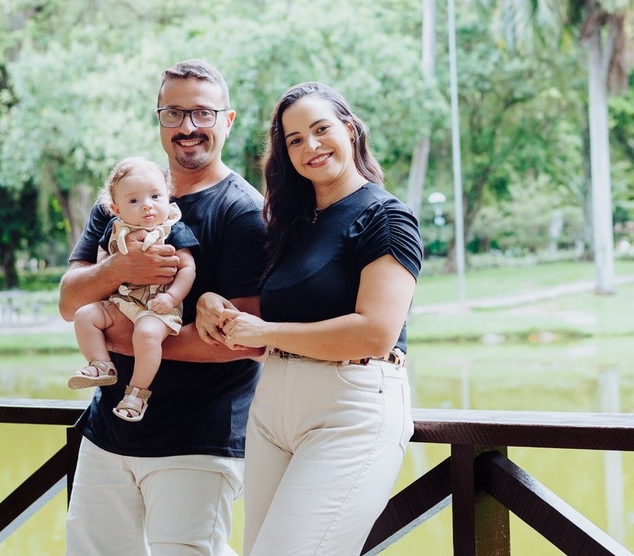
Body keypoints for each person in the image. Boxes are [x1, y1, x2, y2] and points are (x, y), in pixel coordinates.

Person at [196, 81, 422, 556]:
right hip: (273, 405)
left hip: (350, 408)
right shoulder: (290, 225)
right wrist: (215, 305)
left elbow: (376, 333)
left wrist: (267, 332)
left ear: (351, 128)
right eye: (294, 140)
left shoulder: (386, 216)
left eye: (321, 130)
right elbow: (262, 321)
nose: (310, 147)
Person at [59, 59, 267, 556]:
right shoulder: (119, 201)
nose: (188, 127)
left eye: (202, 113)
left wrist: (119, 338)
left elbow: (243, 342)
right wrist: (116, 272)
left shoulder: (243, 212)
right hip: (107, 430)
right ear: (159, 119)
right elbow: (70, 302)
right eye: (173, 113)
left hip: (200, 437)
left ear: (227, 120)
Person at [67, 156, 199, 423]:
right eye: (134, 201)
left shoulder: (172, 229)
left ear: (168, 196)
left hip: (157, 306)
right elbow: (103, 262)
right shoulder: (114, 230)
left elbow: (188, 268)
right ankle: (101, 364)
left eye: (155, 196)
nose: (147, 206)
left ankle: (137, 393)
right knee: (85, 316)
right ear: (116, 209)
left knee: (147, 334)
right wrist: (115, 268)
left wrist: (171, 296)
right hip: (121, 303)